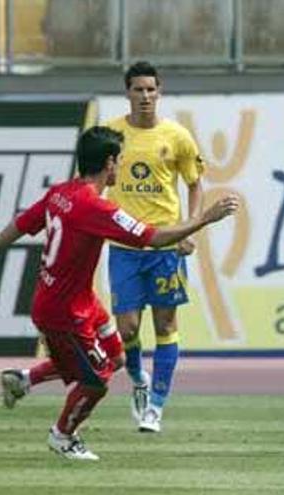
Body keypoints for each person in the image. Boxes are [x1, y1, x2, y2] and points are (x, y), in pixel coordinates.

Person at [0, 126, 237, 460]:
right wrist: (205, 219)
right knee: (96, 380)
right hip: (64, 312)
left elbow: (20, 225)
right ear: (109, 163)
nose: (122, 165)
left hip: (82, 301)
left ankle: (23, 380)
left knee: (117, 356)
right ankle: (62, 435)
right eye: (120, 159)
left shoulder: (60, 193)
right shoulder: (95, 208)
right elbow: (154, 238)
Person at [105, 61, 205, 433]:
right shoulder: (111, 133)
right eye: (138, 89)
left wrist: (189, 228)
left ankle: (157, 406)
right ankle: (138, 380)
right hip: (123, 245)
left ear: (159, 92)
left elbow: (195, 183)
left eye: (151, 89)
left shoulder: (177, 136)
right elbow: (96, 181)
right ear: (127, 93)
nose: (145, 96)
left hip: (165, 246)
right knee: (128, 329)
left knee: (166, 324)